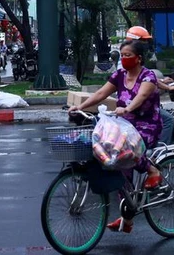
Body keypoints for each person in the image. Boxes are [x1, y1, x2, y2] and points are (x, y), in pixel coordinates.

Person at [70, 39, 164, 234]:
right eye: (122, 55)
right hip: (124, 124)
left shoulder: (148, 77)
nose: (124, 59)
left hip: (147, 125)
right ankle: (128, 217)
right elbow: (102, 93)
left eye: (128, 55)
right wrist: (80, 107)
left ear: (139, 58)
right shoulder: (119, 75)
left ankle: (153, 170)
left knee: (128, 150)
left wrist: (128, 108)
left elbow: (142, 96)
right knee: (113, 162)